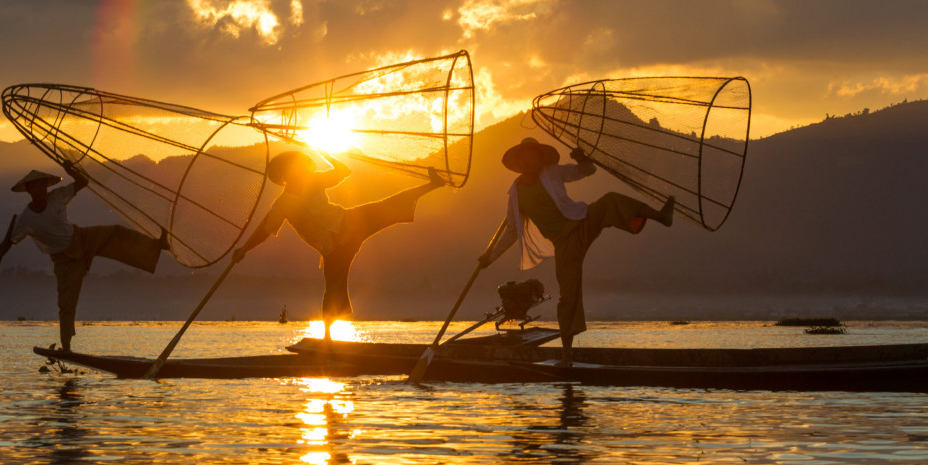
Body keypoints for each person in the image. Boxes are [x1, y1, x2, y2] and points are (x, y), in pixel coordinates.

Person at [478, 137, 674, 366]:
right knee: (568, 296)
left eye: (533, 156)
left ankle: (660, 216)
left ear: (540, 159)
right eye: (524, 158)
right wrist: (489, 258)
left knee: (610, 200)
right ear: (519, 163)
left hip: (582, 220)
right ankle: (567, 356)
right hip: (564, 244)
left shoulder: (552, 173)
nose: (529, 161)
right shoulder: (516, 194)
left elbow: (586, 171)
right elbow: (512, 231)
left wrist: (584, 160)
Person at [233, 151, 445, 339]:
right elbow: (264, 229)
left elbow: (343, 171)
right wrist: (243, 250)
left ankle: (433, 184)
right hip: (334, 247)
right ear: (284, 176)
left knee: (389, 204)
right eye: (294, 170)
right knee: (334, 287)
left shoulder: (314, 181)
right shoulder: (284, 203)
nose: (300, 172)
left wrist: (322, 150)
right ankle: (327, 337)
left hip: (350, 223)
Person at [0, 162, 170, 352]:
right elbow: (8, 242)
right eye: (35, 187)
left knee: (115, 232)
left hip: (82, 238)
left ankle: (156, 246)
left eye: (42, 186)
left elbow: (83, 182)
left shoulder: (57, 196)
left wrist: (70, 170)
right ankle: (66, 346)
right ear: (29, 190)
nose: (40, 190)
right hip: (64, 260)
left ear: (47, 186)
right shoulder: (25, 219)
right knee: (66, 303)